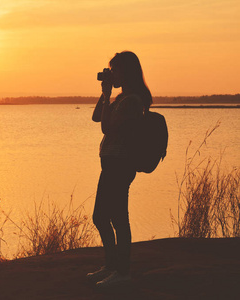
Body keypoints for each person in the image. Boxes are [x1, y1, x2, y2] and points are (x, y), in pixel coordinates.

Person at [87, 51, 152, 288]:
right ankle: (112, 266)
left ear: (126, 72)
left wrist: (107, 96)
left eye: (114, 70)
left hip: (120, 164)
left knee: (116, 219)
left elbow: (106, 128)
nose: (111, 73)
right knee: (103, 216)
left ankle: (121, 271)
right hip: (111, 163)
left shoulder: (132, 101)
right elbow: (96, 117)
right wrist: (105, 95)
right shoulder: (121, 98)